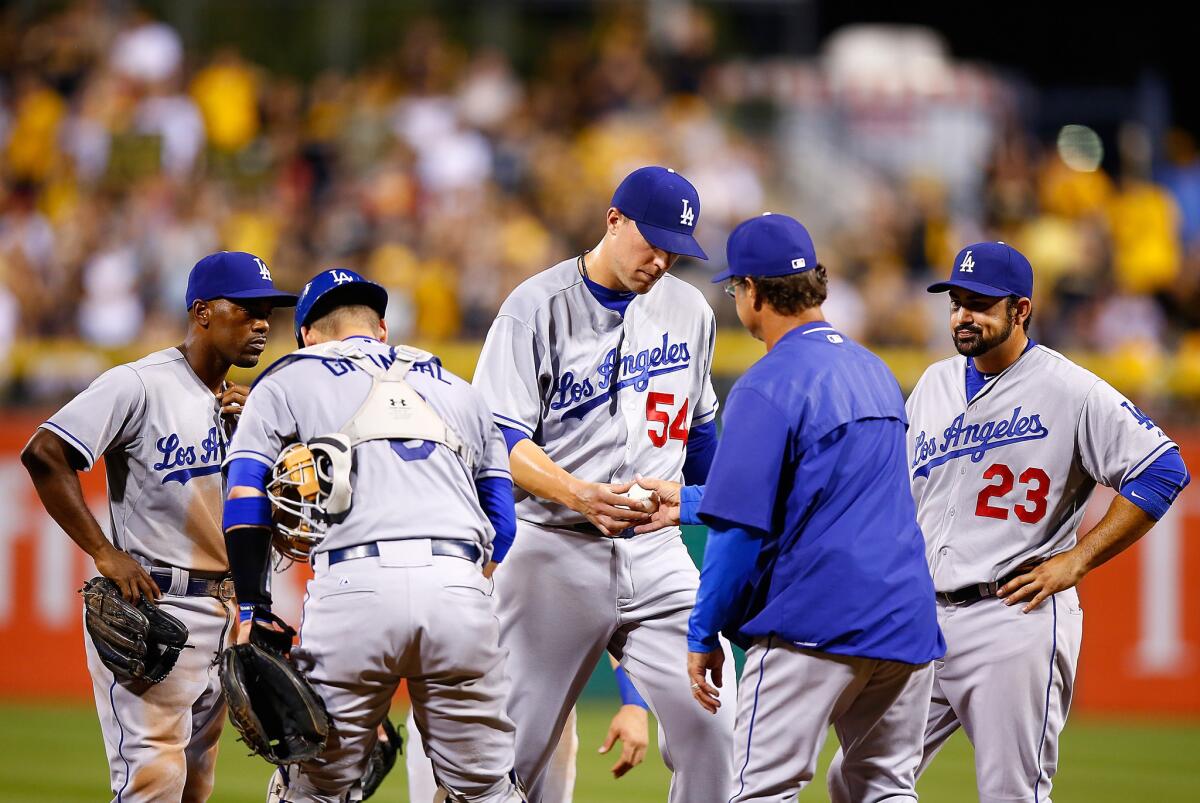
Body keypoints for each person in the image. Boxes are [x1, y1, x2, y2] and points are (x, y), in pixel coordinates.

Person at [638, 213, 945, 802]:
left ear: (752, 290)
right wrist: (692, 501)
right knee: (882, 787)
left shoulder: (766, 383)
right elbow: (822, 490)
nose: (735, 299)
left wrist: (703, 633)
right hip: (905, 620)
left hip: (815, 619)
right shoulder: (877, 371)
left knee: (762, 791)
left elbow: (739, 534)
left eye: (734, 288)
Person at [472, 165, 735, 802]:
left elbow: (701, 439)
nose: (663, 259)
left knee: (719, 728)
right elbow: (499, 442)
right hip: (552, 547)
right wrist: (575, 492)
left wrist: (715, 529)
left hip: (657, 554)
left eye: (677, 249)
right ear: (613, 220)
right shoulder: (534, 307)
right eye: (653, 241)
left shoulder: (689, 309)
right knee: (510, 756)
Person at [893, 242, 1190, 801]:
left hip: (1012, 618)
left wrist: (1077, 559)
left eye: (980, 304)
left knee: (1013, 793)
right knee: (860, 777)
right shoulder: (933, 383)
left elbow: (1162, 469)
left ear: (1020, 310)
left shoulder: (1069, 388)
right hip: (925, 617)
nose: (963, 316)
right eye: (956, 301)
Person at [222, 268, 522, 802]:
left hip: (353, 590)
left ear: (309, 335)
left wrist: (251, 608)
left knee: (315, 789)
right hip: (459, 589)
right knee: (486, 791)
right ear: (381, 329)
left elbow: (244, 498)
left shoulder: (288, 375)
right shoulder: (457, 387)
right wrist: (457, 586)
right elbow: (502, 521)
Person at [21, 251, 295, 802]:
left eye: (266, 310)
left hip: (227, 611)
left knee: (195, 787)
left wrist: (260, 440)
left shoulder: (255, 408)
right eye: (245, 309)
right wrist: (103, 551)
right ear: (201, 312)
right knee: (153, 783)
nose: (262, 322)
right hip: (157, 608)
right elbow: (45, 452)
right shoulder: (140, 383)